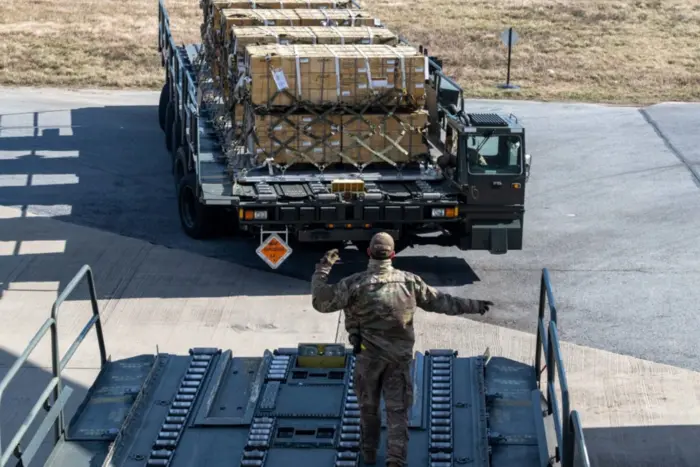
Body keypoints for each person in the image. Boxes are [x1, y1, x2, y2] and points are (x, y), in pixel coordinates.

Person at [310, 232, 493, 467]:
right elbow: (442, 302)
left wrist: (322, 269)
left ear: (368, 253)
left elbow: (321, 302)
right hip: (399, 360)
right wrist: (474, 306)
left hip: (368, 359)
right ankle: (395, 460)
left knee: (369, 409)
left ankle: (368, 454)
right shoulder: (410, 282)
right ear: (393, 254)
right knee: (398, 413)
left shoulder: (353, 284)